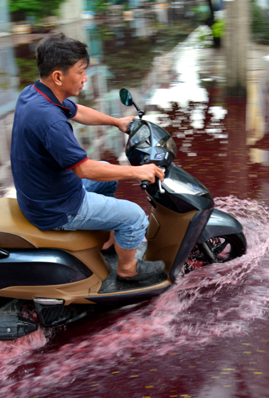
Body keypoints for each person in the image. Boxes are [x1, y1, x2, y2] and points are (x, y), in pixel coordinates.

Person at [10, 33, 166, 282]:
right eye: (81, 71)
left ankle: (105, 240)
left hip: (43, 193)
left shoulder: (34, 94)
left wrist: (116, 122)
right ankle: (128, 269)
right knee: (135, 216)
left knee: (106, 171)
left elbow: (78, 111)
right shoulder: (50, 120)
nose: (85, 78)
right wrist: (138, 171)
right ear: (58, 76)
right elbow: (84, 170)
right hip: (57, 207)